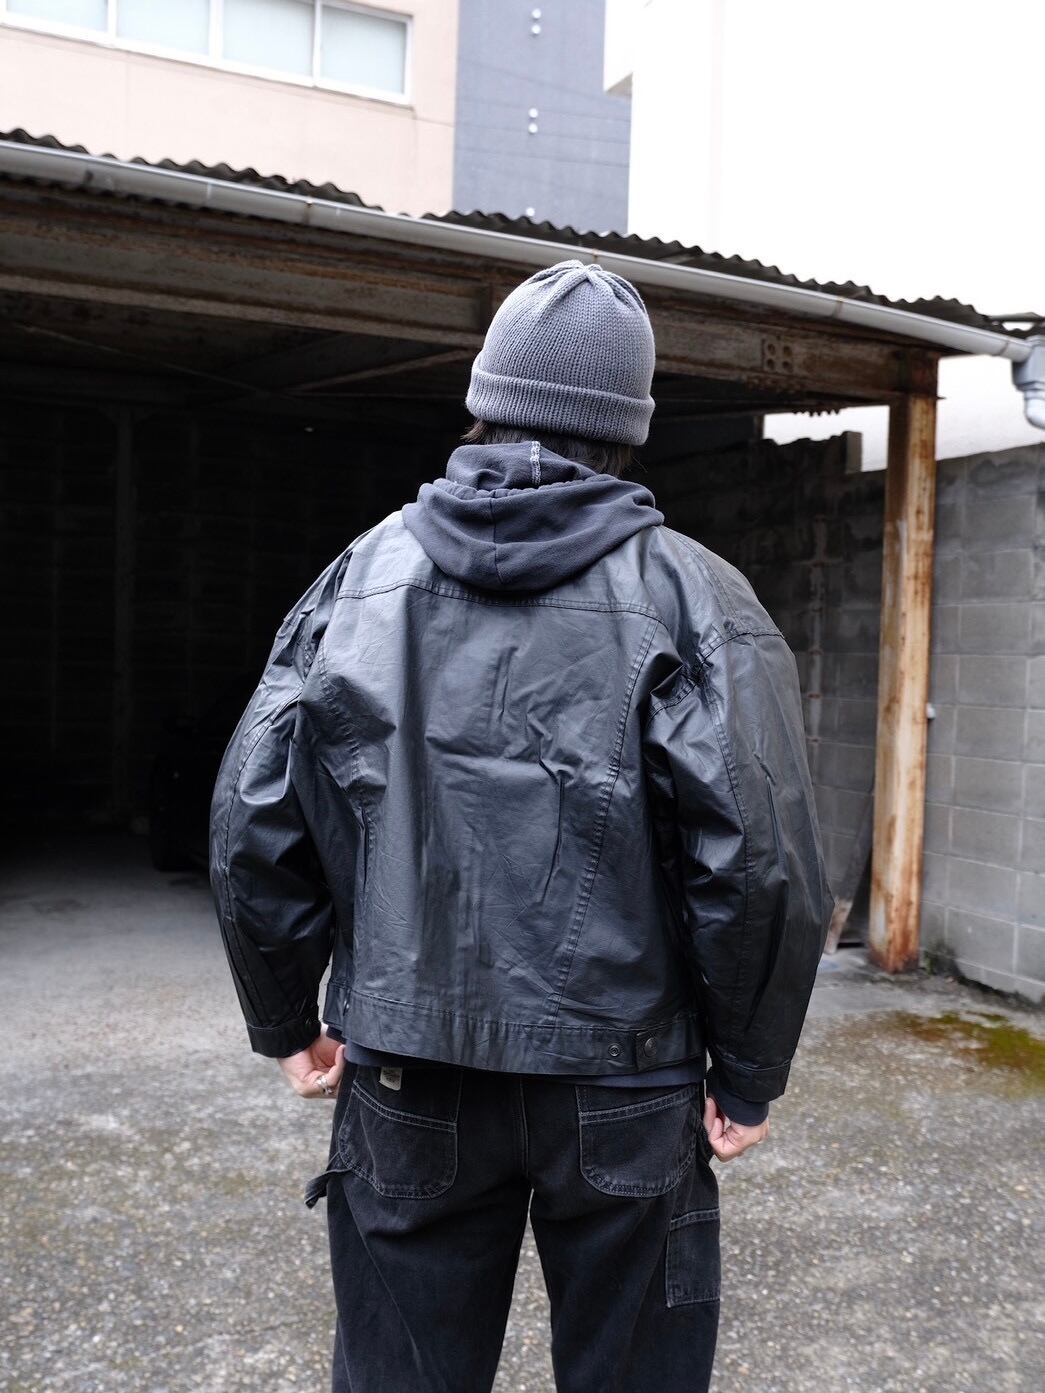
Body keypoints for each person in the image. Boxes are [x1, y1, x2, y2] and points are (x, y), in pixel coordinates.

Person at [208, 258, 834, 1393]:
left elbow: (258, 809)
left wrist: (286, 1015)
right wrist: (747, 1070)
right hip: (626, 1077)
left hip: (408, 1070)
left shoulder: (360, 576)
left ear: (483, 399)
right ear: (629, 426)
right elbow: (759, 859)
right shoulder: (695, 596)